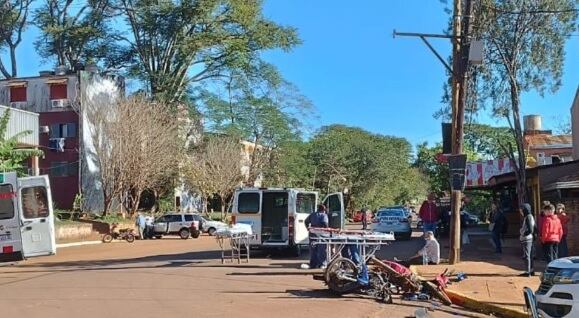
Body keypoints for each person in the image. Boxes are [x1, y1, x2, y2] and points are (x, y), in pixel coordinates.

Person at [304, 204, 329, 269]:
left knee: (313, 249)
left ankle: (313, 264)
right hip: (321, 234)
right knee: (322, 250)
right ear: (324, 210)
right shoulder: (324, 215)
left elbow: (306, 221)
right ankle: (322, 264)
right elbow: (325, 223)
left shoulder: (312, 214)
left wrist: (308, 228)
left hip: (312, 233)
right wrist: (327, 229)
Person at [519, 203, 536, 277]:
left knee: (527, 255)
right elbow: (535, 227)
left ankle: (527, 271)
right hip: (530, 238)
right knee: (530, 255)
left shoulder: (528, 217)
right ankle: (531, 270)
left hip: (527, 239)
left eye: (521, 210)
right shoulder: (530, 216)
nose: (521, 212)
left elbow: (530, 229)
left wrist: (523, 234)